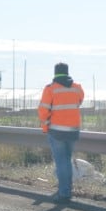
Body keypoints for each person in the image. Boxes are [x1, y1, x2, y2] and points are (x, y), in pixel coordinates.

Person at [38, 62, 85, 203]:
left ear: (55, 73)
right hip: (73, 131)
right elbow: (79, 101)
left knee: (61, 162)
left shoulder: (50, 89)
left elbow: (43, 111)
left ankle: (64, 193)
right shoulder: (77, 88)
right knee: (67, 160)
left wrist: (46, 127)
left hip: (56, 131)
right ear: (67, 72)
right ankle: (66, 190)